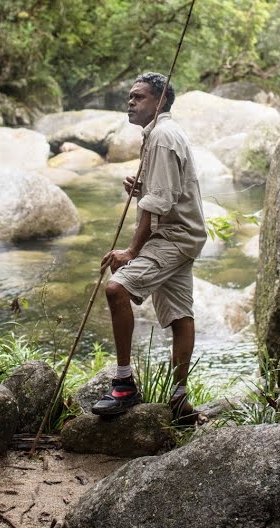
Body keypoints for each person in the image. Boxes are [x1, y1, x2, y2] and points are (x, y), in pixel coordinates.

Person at [94, 72, 208, 423]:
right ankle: (179, 400)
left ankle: (125, 384)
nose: (131, 102)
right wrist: (142, 189)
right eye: (130, 97)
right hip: (185, 234)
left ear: (160, 101)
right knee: (179, 315)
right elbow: (164, 192)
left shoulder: (160, 136)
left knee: (117, 288)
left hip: (172, 236)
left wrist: (130, 251)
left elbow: (158, 204)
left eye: (139, 97)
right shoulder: (161, 134)